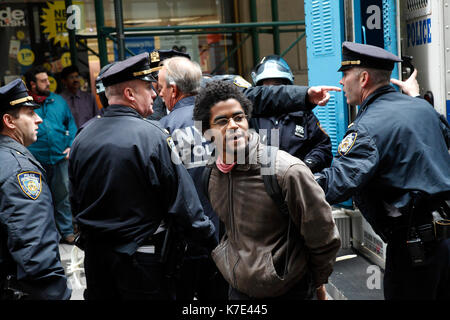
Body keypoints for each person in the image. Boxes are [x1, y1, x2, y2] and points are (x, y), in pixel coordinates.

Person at [68, 52, 216, 300]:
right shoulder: (153, 136)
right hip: (142, 261)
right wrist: (211, 240)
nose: (155, 94)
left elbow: (75, 199)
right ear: (129, 94)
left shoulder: (82, 137)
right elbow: (183, 203)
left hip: (97, 262)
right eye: (148, 87)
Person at [314, 41, 450, 300]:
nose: (342, 82)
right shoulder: (421, 107)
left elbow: (337, 184)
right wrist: (417, 100)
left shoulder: (367, 127)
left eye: (345, 75)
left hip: (415, 250)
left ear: (363, 78)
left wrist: (289, 179)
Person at [193, 80, 341, 300]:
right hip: (238, 291)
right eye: (222, 121)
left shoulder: (286, 171)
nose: (233, 125)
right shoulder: (210, 175)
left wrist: (316, 285)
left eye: (239, 117)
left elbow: (323, 238)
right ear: (207, 132)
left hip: (291, 291)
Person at [158, 56, 225, 300]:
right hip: (226, 242)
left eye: (161, 89)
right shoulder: (227, 121)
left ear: (173, 90)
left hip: (183, 244)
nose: (160, 95)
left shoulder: (163, 129)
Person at [0, 79, 71, 300]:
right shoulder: (21, 171)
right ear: (9, 121)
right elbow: (35, 252)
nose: (39, 119)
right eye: (30, 114)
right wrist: (56, 293)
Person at [250, 55, 332, 173]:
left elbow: (322, 147)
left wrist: (306, 166)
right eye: (266, 87)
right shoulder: (250, 117)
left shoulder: (304, 116)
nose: (273, 92)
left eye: (277, 85)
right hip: (260, 185)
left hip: (296, 183)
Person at [24, 66, 78, 245]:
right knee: (39, 199)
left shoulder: (58, 101)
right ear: (32, 84)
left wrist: (71, 145)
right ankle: (47, 236)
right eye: (43, 81)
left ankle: (68, 232)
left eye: (48, 80)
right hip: (34, 160)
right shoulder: (25, 103)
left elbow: (70, 123)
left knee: (63, 197)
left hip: (59, 157)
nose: (48, 83)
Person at [148, 49, 191, 121]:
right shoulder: (145, 109)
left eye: (166, 79)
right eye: (155, 78)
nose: (159, 83)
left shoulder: (197, 110)